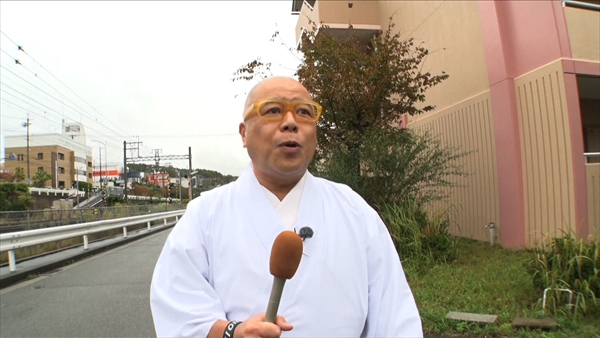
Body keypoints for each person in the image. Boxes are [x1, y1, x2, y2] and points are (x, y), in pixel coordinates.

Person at [150, 76, 423, 337]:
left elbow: (395, 317)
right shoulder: (205, 215)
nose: (291, 122)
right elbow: (179, 312)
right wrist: (232, 332)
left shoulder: (355, 211)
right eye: (273, 111)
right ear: (244, 134)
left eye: (304, 112)